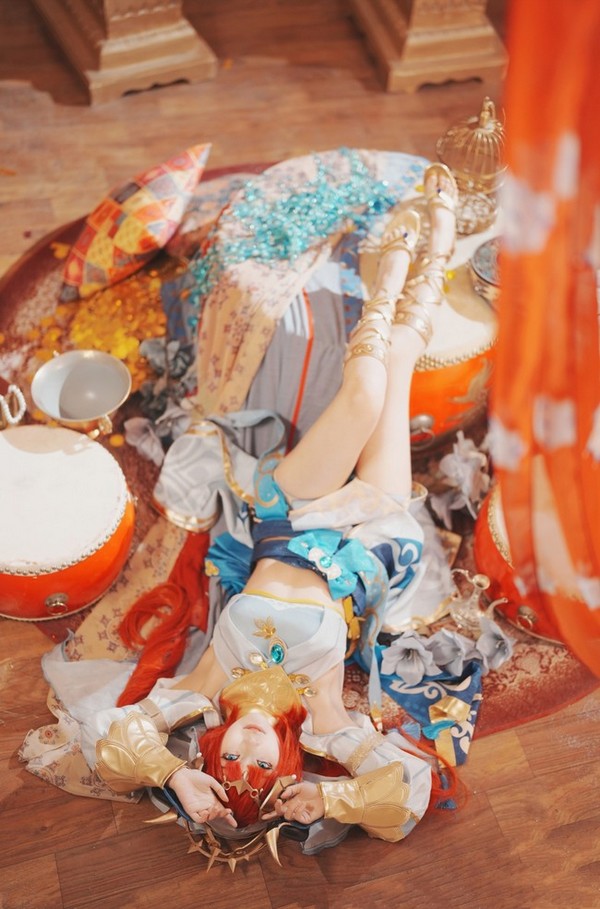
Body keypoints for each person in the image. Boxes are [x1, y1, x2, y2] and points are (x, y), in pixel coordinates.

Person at [89, 162, 460, 851]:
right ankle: (436, 250)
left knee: (364, 394)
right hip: (365, 537)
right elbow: (408, 794)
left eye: (228, 762)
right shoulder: (325, 723)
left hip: (290, 517)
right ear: (288, 766)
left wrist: (172, 774)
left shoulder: (203, 688)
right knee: (402, 360)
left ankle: (392, 266)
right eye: (264, 768)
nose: (251, 750)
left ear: (212, 746)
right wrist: (333, 794)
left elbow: (111, 744)